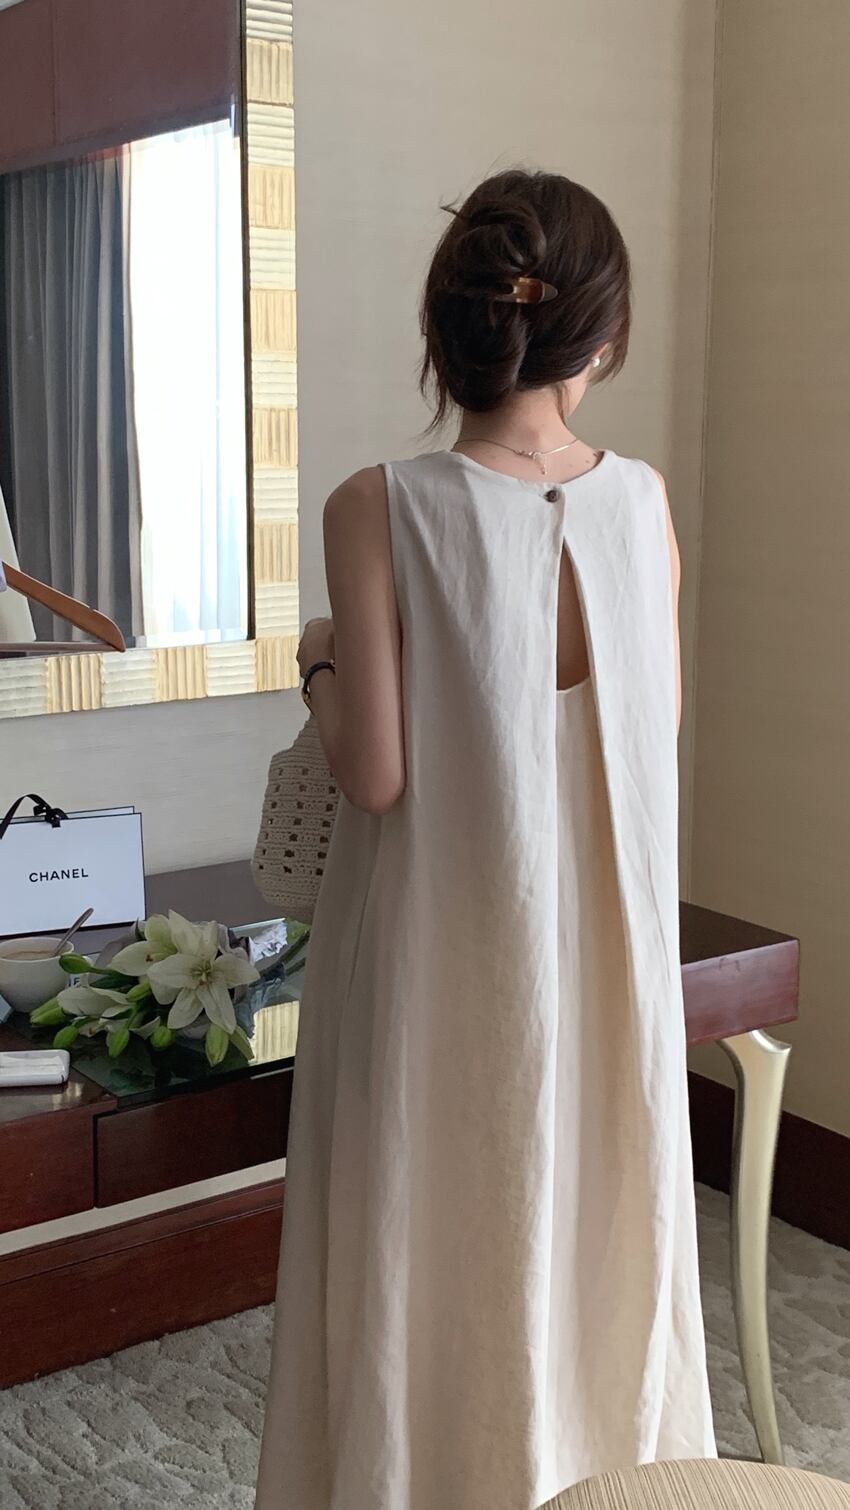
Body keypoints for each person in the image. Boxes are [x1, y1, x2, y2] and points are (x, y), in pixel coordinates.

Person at [254, 168, 716, 1510]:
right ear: (600, 339)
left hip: (436, 954)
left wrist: (319, 661)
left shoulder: (377, 504)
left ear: (443, 329)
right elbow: (652, 725)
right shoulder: (642, 503)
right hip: (606, 964)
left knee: (426, 1223)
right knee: (596, 1227)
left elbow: (375, 776)